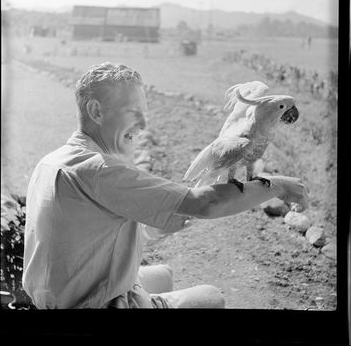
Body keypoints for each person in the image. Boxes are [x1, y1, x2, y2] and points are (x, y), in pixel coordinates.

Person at [22, 62, 308, 309]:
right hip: (92, 306)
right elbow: (206, 204)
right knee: (212, 296)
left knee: (165, 274)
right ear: (96, 111)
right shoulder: (99, 170)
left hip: (55, 296)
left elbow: (103, 231)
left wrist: (172, 214)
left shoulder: (52, 161)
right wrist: (279, 186)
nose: (143, 124)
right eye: (134, 113)